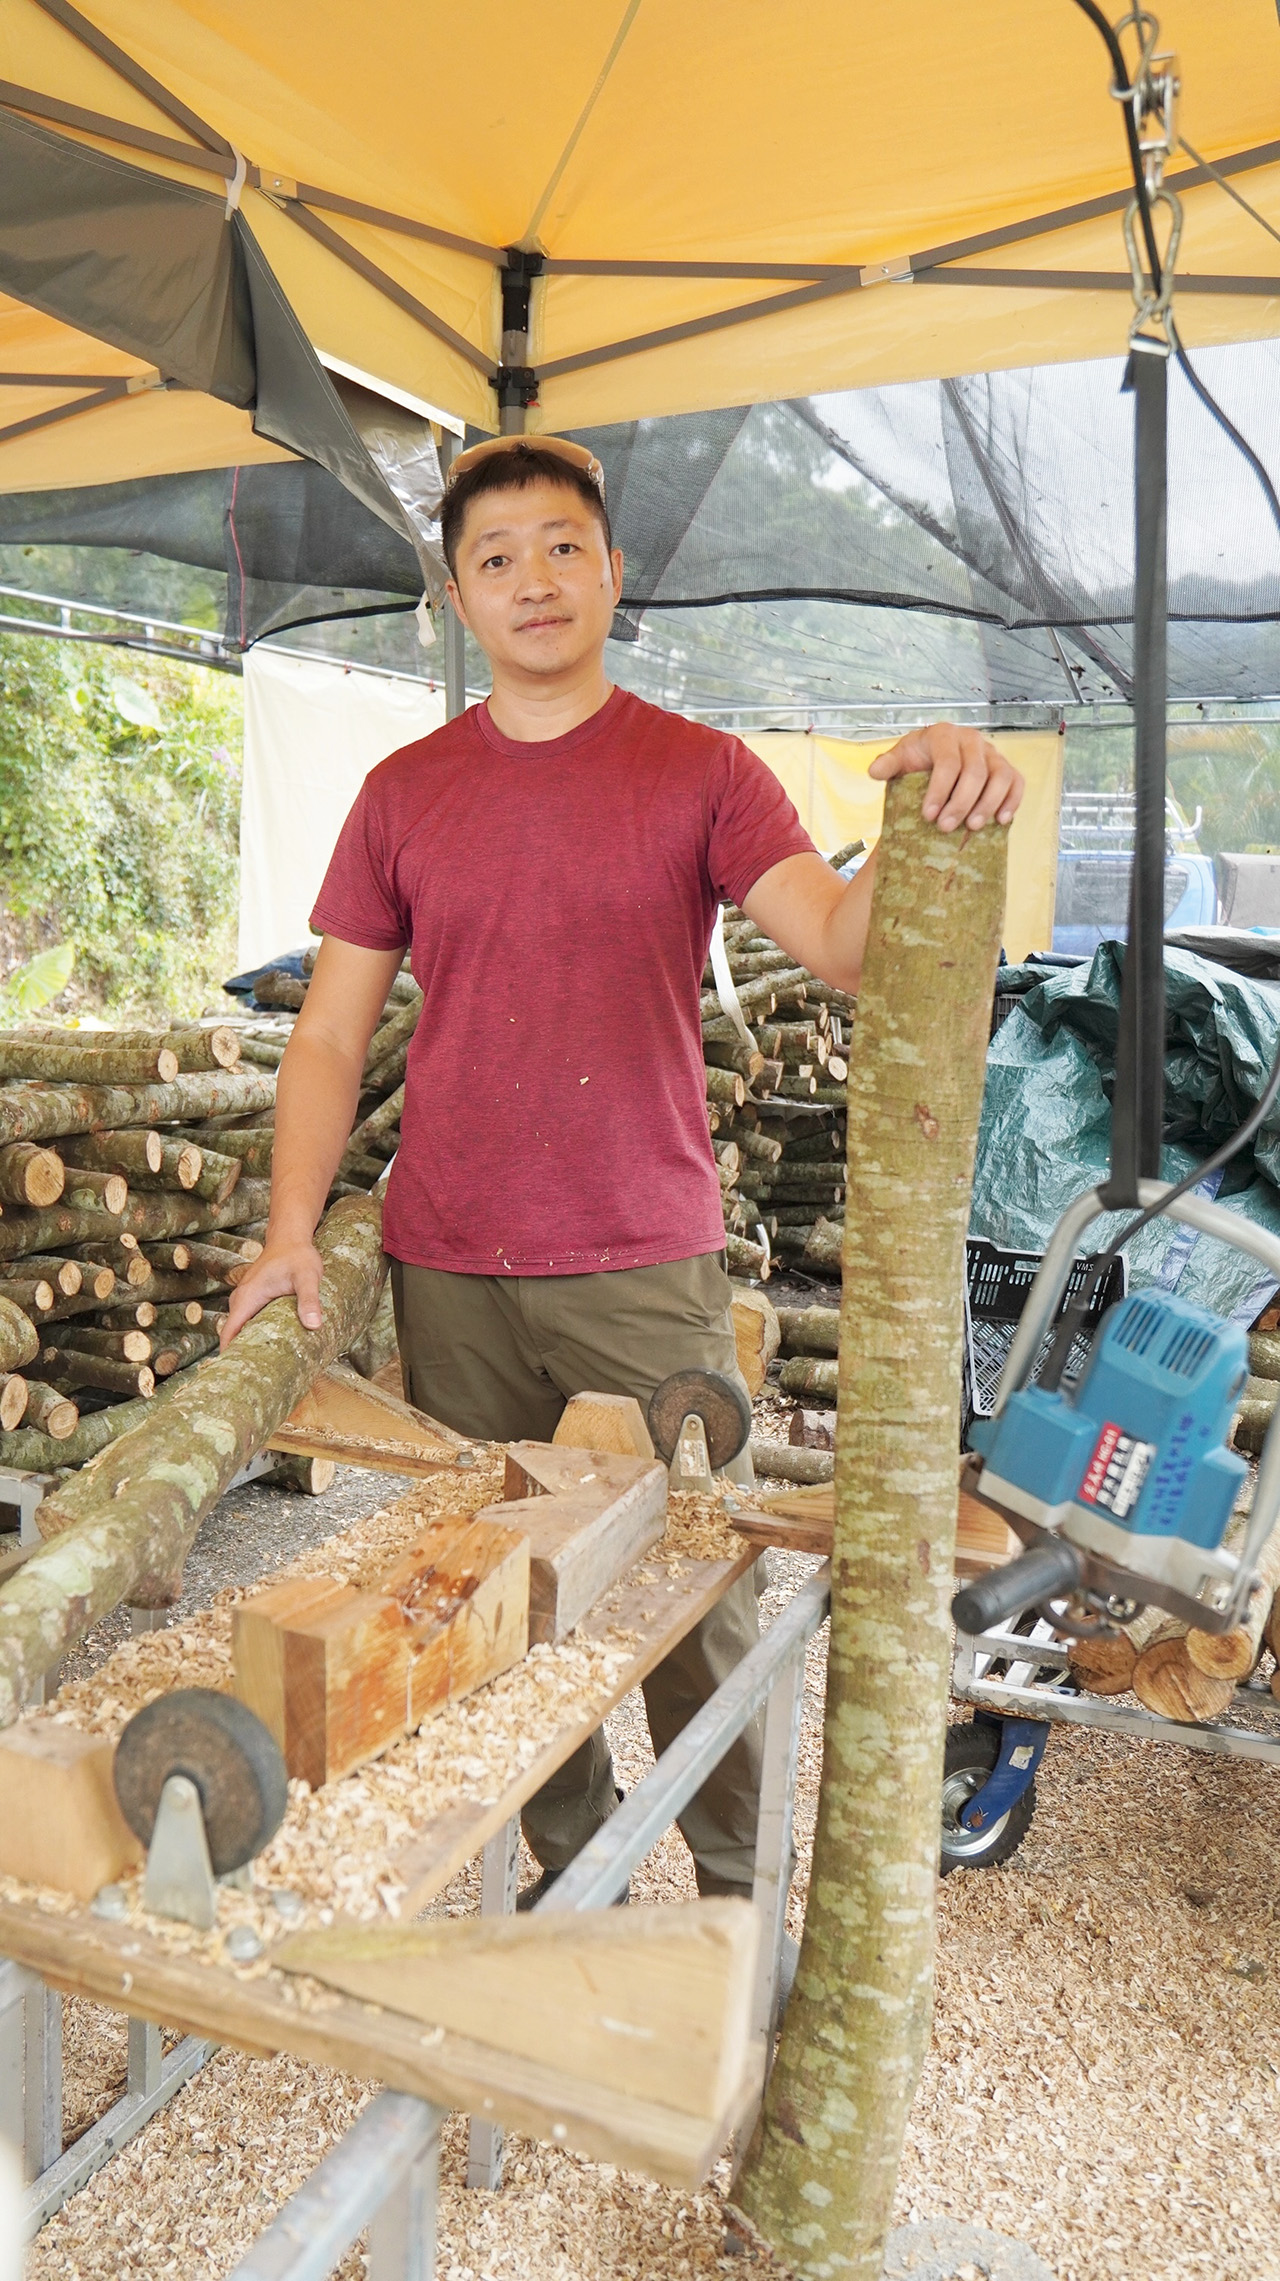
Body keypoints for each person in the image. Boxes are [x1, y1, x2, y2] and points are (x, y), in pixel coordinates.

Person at [222, 434, 1023, 1907]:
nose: (534, 579)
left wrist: (937, 801)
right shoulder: (404, 792)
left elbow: (842, 947)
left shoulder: (701, 768)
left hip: (643, 1261)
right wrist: (288, 1228)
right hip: (449, 1265)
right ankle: (567, 1860)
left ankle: (732, 1900)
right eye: (496, 557)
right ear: (457, 598)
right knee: (487, 1584)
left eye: (562, 547)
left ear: (613, 570)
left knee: (693, 1589)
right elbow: (329, 1039)